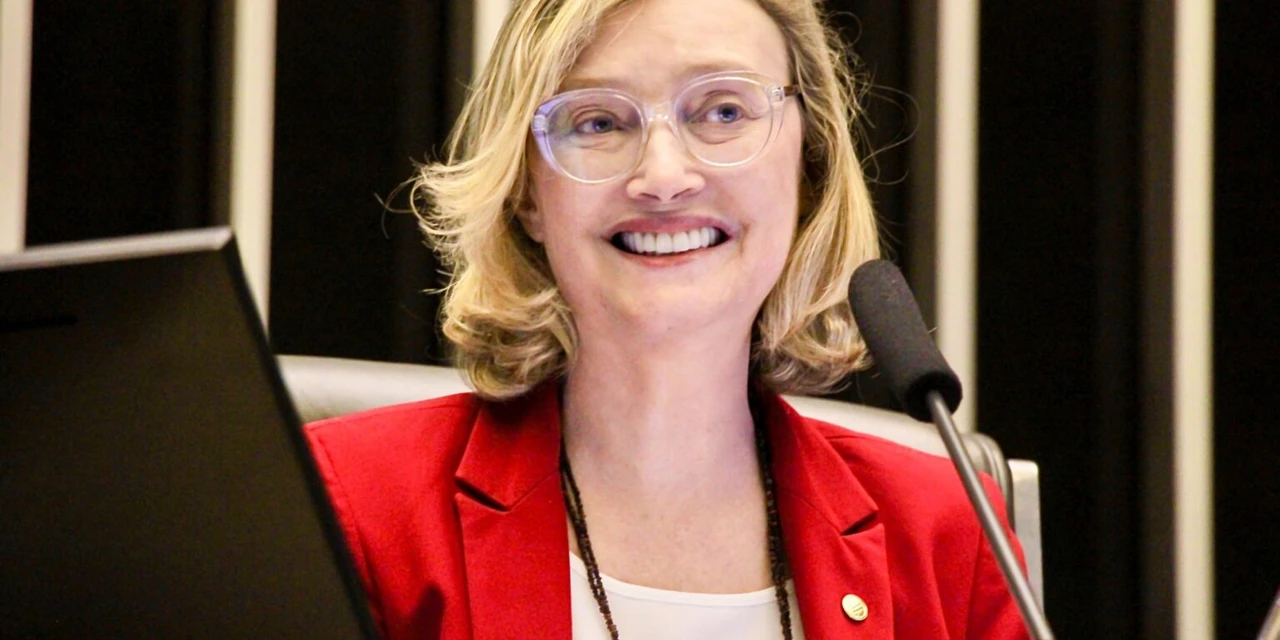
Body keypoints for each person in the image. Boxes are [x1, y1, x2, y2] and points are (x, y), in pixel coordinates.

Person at [305, 0, 1029, 637]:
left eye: (723, 112)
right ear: (526, 192)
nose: (662, 178)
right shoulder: (354, 506)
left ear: (807, 166)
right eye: (598, 121)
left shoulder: (946, 532)